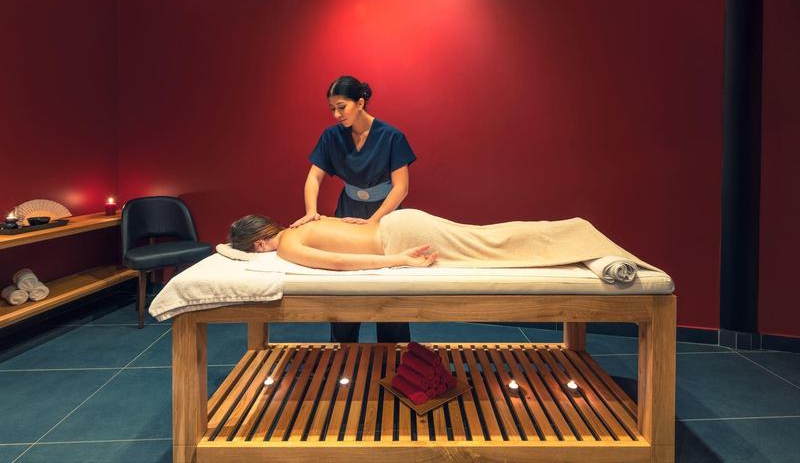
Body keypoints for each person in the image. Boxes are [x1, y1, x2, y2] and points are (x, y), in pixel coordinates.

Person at [291, 76, 416, 343]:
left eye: (341, 107)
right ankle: (343, 352)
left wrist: (373, 221)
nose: (336, 114)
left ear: (360, 103)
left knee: (389, 284)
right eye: (332, 109)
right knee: (343, 283)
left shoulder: (391, 136)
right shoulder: (331, 136)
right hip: (347, 210)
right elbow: (314, 177)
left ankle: (393, 354)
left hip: (386, 215)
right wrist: (311, 212)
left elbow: (400, 188)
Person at [228, 209, 652, 276]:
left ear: (260, 244)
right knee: (492, 238)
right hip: (400, 223)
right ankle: (576, 236)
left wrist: (398, 260)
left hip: (401, 236)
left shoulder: (287, 245)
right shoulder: (308, 222)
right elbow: (349, 231)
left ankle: (578, 235)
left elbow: (338, 262)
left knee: (496, 246)